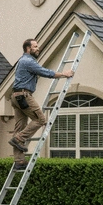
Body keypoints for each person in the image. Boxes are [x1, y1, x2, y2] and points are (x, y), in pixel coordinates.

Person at [9, 39, 74, 170]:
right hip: (24, 95)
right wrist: (63, 74)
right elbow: (45, 72)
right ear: (28, 49)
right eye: (35, 46)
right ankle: (19, 139)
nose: (38, 48)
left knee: (19, 127)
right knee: (40, 119)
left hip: (16, 97)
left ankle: (19, 161)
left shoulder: (22, 61)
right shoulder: (28, 61)